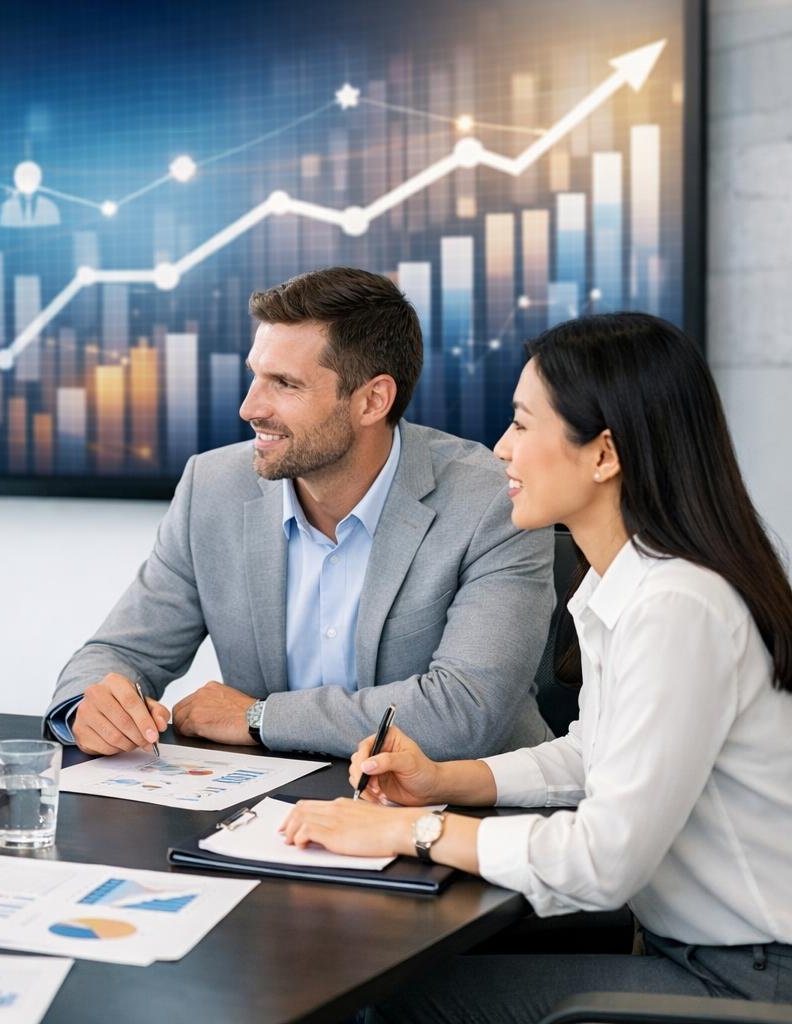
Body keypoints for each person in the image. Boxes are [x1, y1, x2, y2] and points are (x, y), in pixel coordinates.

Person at [281, 313, 792, 1020]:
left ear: (604, 454)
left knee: (394, 1007)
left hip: (748, 977)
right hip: (699, 951)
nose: (500, 451)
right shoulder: (630, 583)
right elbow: (594, 755)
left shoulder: (678, 606)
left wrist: (410, 831)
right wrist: (441, 781)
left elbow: (604, 859)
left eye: (522, 425)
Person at [46, 266, 554, 759]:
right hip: (271, 814)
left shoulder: (492, 497)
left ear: (372, 400)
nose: (250, 408)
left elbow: (463, 712)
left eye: (284, 384)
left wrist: (259, 717)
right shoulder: (213, 487)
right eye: (255, 377)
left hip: (469, 816)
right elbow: (122, 652)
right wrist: (89, 706)